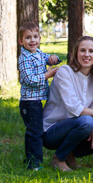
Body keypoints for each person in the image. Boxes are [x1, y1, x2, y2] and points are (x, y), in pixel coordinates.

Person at [42, 35, 93, 172]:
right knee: (86, 122)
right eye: (82, 50)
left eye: (91, 51)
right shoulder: (64, 72)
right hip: (52, 131)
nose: (87, 55)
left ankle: (69, 152)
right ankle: (58, 158)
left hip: (80, 127)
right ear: (76, 53)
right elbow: (74, 109)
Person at [18, 21, 61, 170]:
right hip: (29, 103)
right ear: (21, 41)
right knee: (34, 132)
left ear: (40, 38)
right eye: (28, 37)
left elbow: (48, 58)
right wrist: (47, 75)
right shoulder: (24, 59)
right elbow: (29, 80)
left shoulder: (39, 53)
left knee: (35, 130)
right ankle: (34, 164)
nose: (32, 40)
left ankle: (32, 160)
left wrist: (53, 58)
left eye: (35, 36)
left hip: (37, 101)